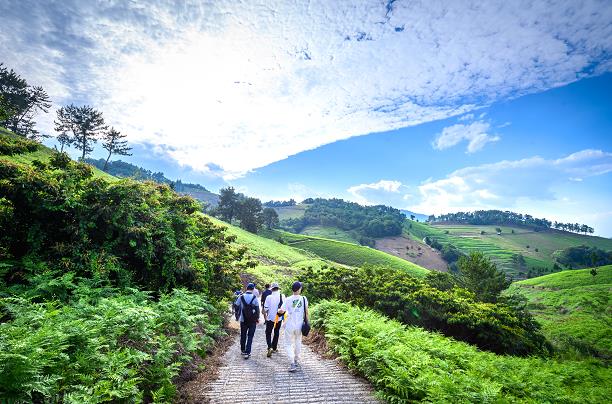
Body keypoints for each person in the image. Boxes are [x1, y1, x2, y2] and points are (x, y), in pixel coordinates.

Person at [279, 281, 308, 372]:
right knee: (298, 341)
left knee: (288, 343)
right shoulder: (304, 299)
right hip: (299, 325)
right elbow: (306, 312)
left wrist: (279, 310)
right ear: (299, 289)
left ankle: (292, 362)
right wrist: (307, 323)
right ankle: (296, 359)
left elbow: (281, 311)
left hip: (290, 324)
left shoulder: (288, 299)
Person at [234, 282, 260, 359]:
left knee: (243, 335)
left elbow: (236, 305)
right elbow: (257, 309)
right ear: (253, 289)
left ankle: (242, 350)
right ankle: (247, 352)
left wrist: (238, 314)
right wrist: (257, 318)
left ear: (246, 288)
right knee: (250, 336)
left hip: (243, 319)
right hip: (252, 320)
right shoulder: (254, 297)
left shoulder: (241, 296)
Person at [263, 282, 285, 357]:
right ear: (278, 288)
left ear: (271, 289)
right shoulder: (282, 296)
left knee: (268, 332)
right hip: (279, 318)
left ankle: (270, 347)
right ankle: (274, 347)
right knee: (276, 332)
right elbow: (284, 307)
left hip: (270, 318)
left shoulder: (269, 297)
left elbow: (265, 308)